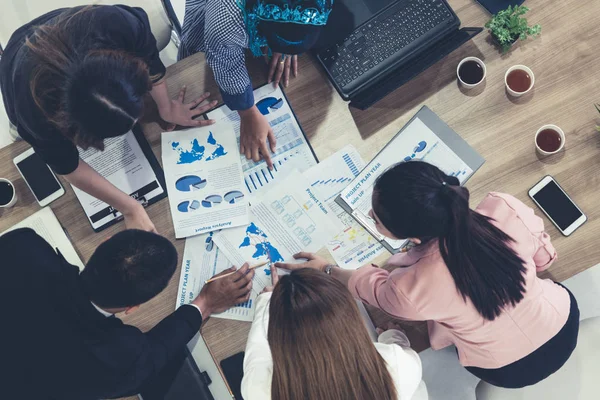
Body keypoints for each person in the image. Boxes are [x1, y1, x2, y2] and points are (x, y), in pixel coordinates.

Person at [277, 161, 580, 389]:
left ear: (416, 239)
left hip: (506, 370)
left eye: (378, 219)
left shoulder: (409, 289)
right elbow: (541, 255)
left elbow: (367, 286)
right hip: (562, 322)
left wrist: (327, 269)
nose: (370, 216)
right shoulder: (504, 207)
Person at [0, 5, 218, 233]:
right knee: (21, 137)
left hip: (68, 28)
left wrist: (165, 106)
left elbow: (150, 59)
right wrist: (129, 207)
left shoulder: (116, 23)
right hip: (19, 62)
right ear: (73, 128)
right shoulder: (33, 111)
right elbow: (67, 165)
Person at [0, 228, 254, 399]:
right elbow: (157, 352)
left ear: (105, 241)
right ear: (132, 308)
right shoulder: (118, 358)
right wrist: (206, 303)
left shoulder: (24, 246)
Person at [178, 0, 334, 168]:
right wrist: (247, 112)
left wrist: (290, 42)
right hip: (212, 32)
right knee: (190, 68)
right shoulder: (227, 15)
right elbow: (224, 61)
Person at [241, 266, 427, 400]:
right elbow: (403, 350)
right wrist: (393, 336)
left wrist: (267, 301)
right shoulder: (398, 365)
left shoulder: (259, 389)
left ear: (279, 337)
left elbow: (257, 352)